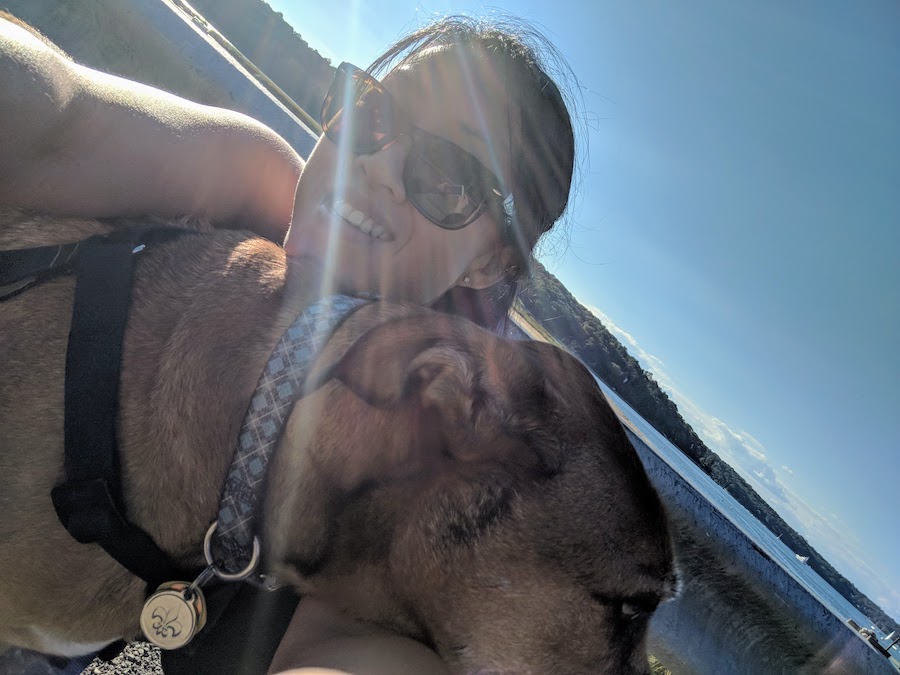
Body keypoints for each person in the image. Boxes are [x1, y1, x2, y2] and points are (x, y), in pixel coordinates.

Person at [0, 10, 577, 674]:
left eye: (449, 175)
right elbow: (56, 113)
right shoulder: (253, 187)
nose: (380, 163)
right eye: (373, 111)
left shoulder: (417, 489)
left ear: (488, 264)